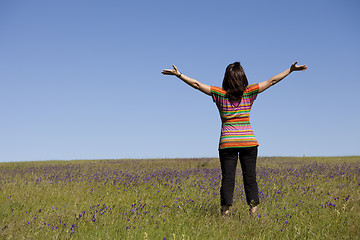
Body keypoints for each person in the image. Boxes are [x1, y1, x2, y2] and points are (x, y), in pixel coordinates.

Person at [161, 61, 307, 216]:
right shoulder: (250, 92)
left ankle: (225, 214)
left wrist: (179, 75)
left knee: (228, 179)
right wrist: (289, 70)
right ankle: (254, 213)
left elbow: (197, 84)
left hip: (227, 143)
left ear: (226, 78)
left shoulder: (219, 93)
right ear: (242, 77)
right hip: (249, 142)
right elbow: (272, 81)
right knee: (250, 177)